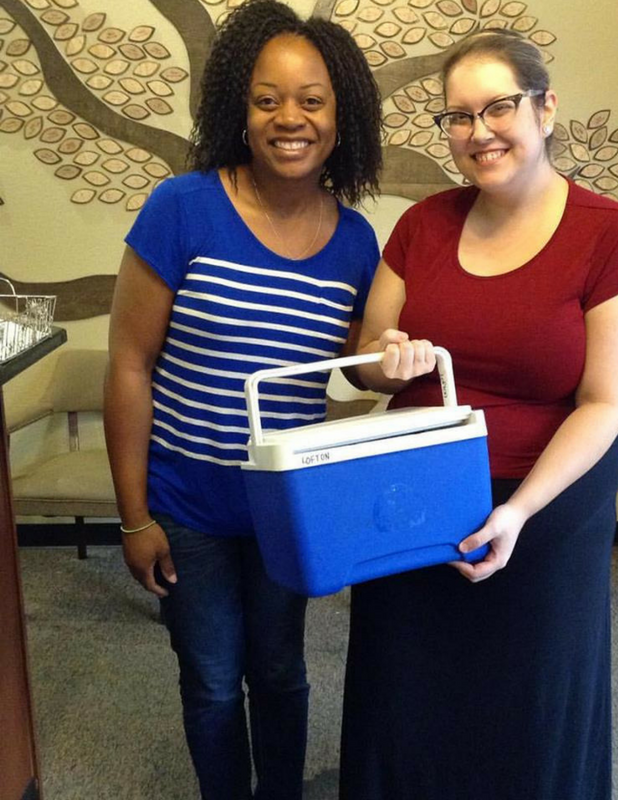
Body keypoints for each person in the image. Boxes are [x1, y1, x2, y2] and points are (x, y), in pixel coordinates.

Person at [340, 29, 618, 800]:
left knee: (525, 701)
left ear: (545, 108)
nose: (478, 132)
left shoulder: (611, 235)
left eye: (498, 107)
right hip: (417, 499)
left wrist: (516, 512)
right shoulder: (422, 226)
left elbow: (606, 402)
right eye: (458, 116)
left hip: (544, 506)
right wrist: (386, 361)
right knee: (406, 690)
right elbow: (366, 363)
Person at [103, 2, 382, 798]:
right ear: (240, 108)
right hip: (186, 509)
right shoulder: (181, 208)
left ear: (342, 115)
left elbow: (358, 371)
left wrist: (394, 364)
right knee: (215, 682)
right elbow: (128, 366)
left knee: (283, 674)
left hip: (283, 511)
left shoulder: (356, 242)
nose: (289, 119)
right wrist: (134, 516)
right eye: (267, 99)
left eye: (312, 100)